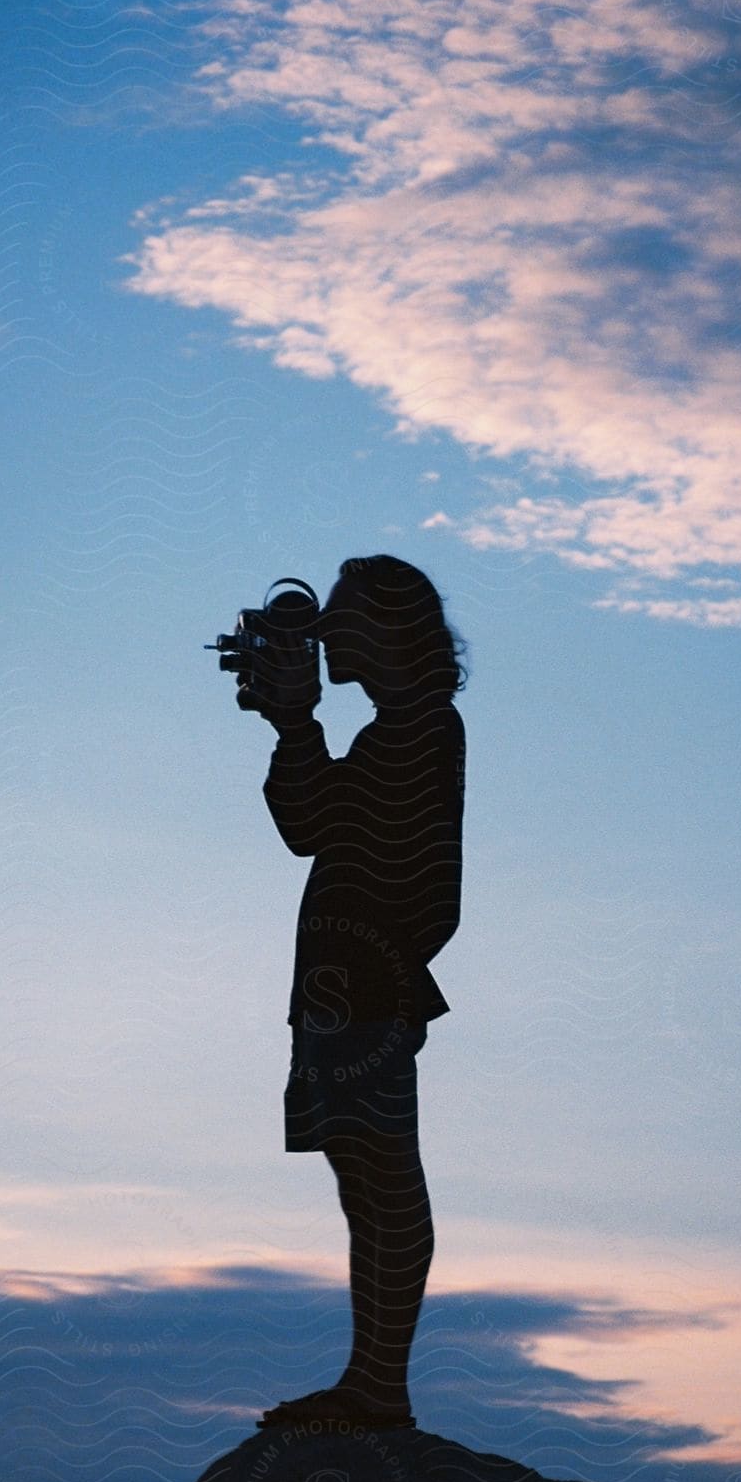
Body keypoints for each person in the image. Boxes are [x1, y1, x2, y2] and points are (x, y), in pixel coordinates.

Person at [253, 555, 467, 1429]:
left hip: (367, 994)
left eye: (341, 618)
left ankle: (380, 1389)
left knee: (384, 1185)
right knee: (364, 1185)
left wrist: (297, 720)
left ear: (386, 633)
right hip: (346, 994)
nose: (328, 634)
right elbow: (312, 828)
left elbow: (404, 877)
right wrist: (293, 720)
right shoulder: (396, 731)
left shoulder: (422, 730)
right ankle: (372, 1383)